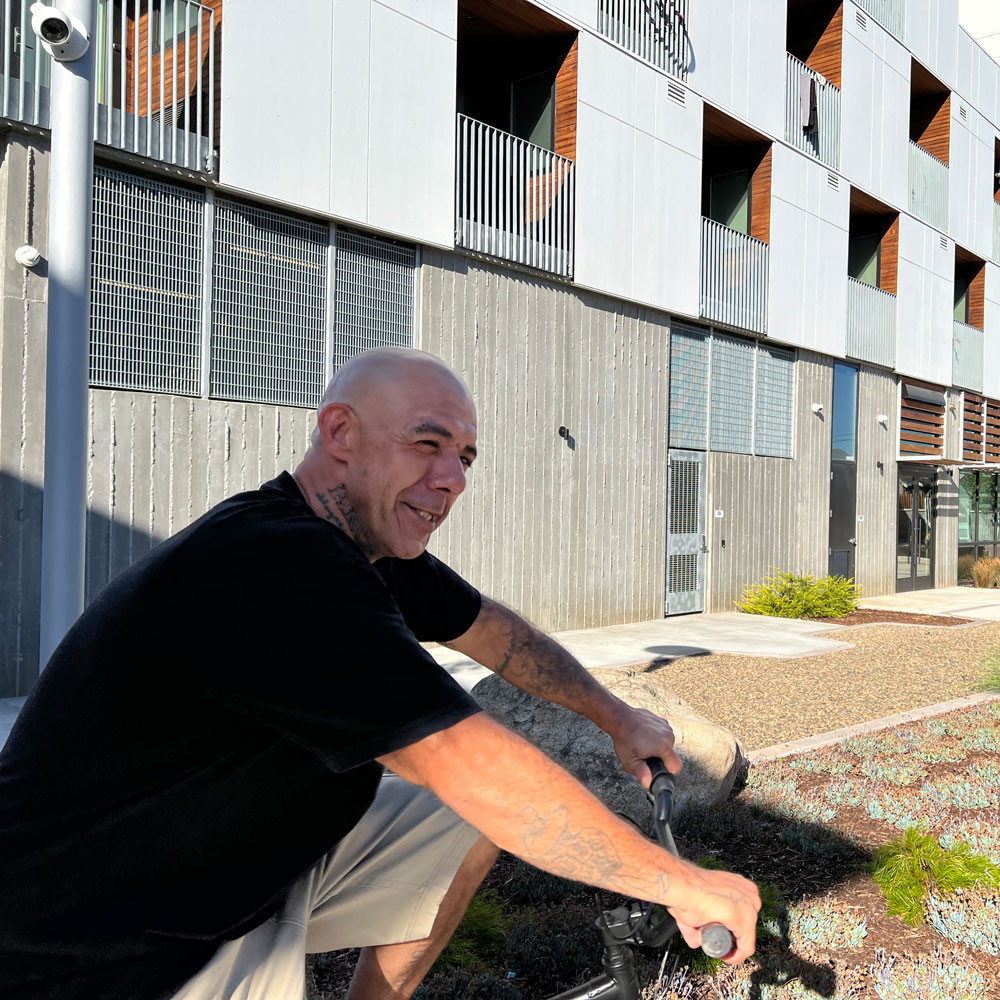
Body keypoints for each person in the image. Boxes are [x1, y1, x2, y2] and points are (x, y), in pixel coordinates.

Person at [0, 348, 761, 1000]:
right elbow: (461, 759)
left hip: (222, 868)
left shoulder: (364, 549)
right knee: (476, 793)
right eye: (427, 443)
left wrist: (616, 716)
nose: (452, 478)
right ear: (340, 432)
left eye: (464, 456)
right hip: (110, 946)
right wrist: (674, 882)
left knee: (458, 821)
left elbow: (495, 632)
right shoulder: (276, 566)